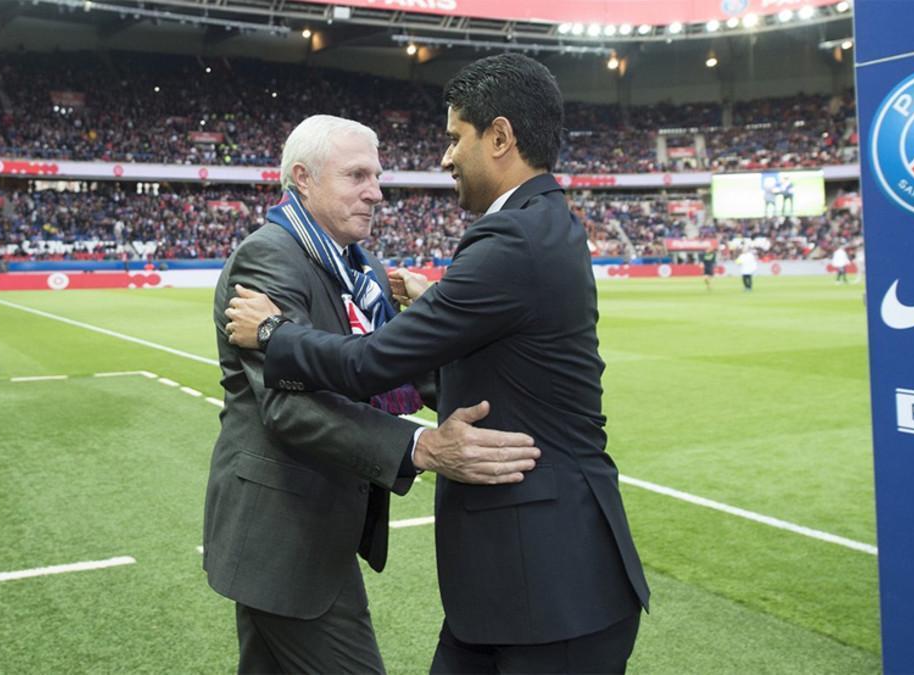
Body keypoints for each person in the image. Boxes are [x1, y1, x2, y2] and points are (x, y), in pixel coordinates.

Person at [224, 54, 649, 673]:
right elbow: (305, 401)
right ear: (302, 180)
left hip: (552, 585)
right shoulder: (543, 224)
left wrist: (272, 332)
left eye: (455, 137)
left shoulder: (510, 240)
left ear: (499, 138)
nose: (445, 158)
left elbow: (372, 363)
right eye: (357, 175)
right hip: (511, 582)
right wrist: (436, 339)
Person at [201, 114, 542, 674]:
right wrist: (422, 447)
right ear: (303, 178)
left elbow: (395, 368)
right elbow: (290, 406)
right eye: (357, 176)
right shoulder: (269, 258)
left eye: (376, 176)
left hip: (314, 530)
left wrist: (499, 390)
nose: (376, 193)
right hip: (282, 535)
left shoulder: (363, 270)